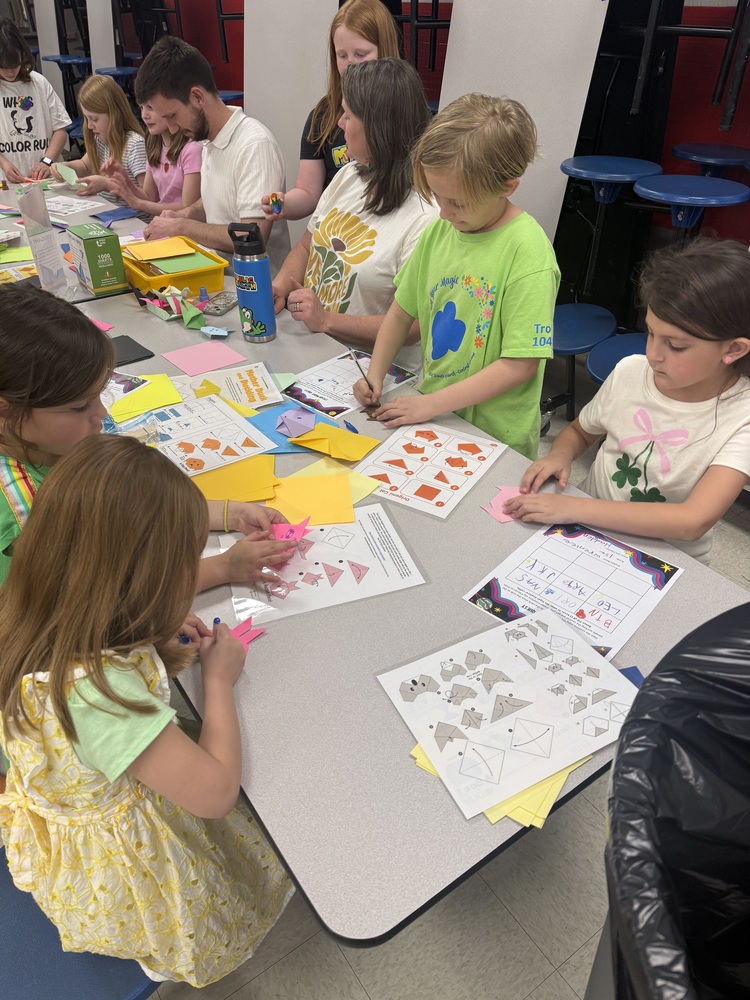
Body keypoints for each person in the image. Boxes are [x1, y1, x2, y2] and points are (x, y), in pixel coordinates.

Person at [0, 433, 293, 986]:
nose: (191, 573)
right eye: (183, 565)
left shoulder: (35, 607)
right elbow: (213, 793)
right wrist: (219, 682)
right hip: (127, 864)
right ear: (134, 584)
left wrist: (146, 634)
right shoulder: (97, 697)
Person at [0, 284, 295, 588]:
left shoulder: (52, 438)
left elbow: (128, 502)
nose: (101, 413)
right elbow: (101, 600)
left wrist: (229, 514)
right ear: (5, 413)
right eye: (79, 407)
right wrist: (223, 568)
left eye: (99, 395)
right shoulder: (22, 510)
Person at [504, 238, 750, 565]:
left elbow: (693, 521)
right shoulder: (631, 371)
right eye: (650, 333)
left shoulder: (742, 416)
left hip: (666, 558)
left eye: (676, 346)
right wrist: (560, 456)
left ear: (732, 350)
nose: (653, 354)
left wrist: (572, 507)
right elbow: (580, 432)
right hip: (586, 531)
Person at [352, 93, 560, 460]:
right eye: (437, 197)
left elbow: (521, 365)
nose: (444, 212)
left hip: (497, 439)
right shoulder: (439, 232)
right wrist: (375, 373)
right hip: (436, 415)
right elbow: (401, 313)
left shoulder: (528, 253)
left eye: (458, 203)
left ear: (507, 186)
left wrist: (430, 404)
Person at [272, 58, 438, 369]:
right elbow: (308, 245)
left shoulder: (426, 216)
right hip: (317, 349)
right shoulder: (349, 174)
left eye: (348, 116)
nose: (339, 123)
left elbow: (413, 328)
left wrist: (328, 320)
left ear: (378, 128)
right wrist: (280, 285)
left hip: (375, 372)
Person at [133, 36, 291, 273]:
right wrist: (185, 214)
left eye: (173, 116)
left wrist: (181, 227)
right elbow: (214, 201)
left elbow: (250, 237)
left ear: (197, 97)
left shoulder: (254, 144)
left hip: (257, 292)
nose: (173, 128)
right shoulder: (208, 140)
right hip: (220, 279)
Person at [261, 0, 400, 222]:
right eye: (342, 56)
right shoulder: (322, 116)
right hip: (334, 230)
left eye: (361, 54)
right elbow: (308, 192)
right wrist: (284, 204)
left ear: (384, 48)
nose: (351, 64)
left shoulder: (403, 110)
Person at [50, 74, 147, 197]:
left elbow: (147, 196)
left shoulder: (134, 145)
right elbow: (84, 165)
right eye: (86, 118)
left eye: (94, 119)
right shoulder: (101, 140)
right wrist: (66, 167)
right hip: (108, 211)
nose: (90, 125)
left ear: (114, 115)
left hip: (130, 214)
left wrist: (107, 184)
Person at [0, 17, 70, 183]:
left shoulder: (39, 82)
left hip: (45, 177)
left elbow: (60, 131)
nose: (10, 72)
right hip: (7, 181)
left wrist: (46, 161)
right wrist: (4, 164)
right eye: (3, 67)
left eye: (15, 65)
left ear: (23, 56)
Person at [103, 103, 202, 215]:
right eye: (141, 108)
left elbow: (189, 209)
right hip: (164, 224)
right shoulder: (155, 146)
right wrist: (125, 181)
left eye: (151, 107)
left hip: (183, 227)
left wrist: (139, 204)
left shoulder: (192, 149)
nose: (144, 115)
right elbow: (150, 197)